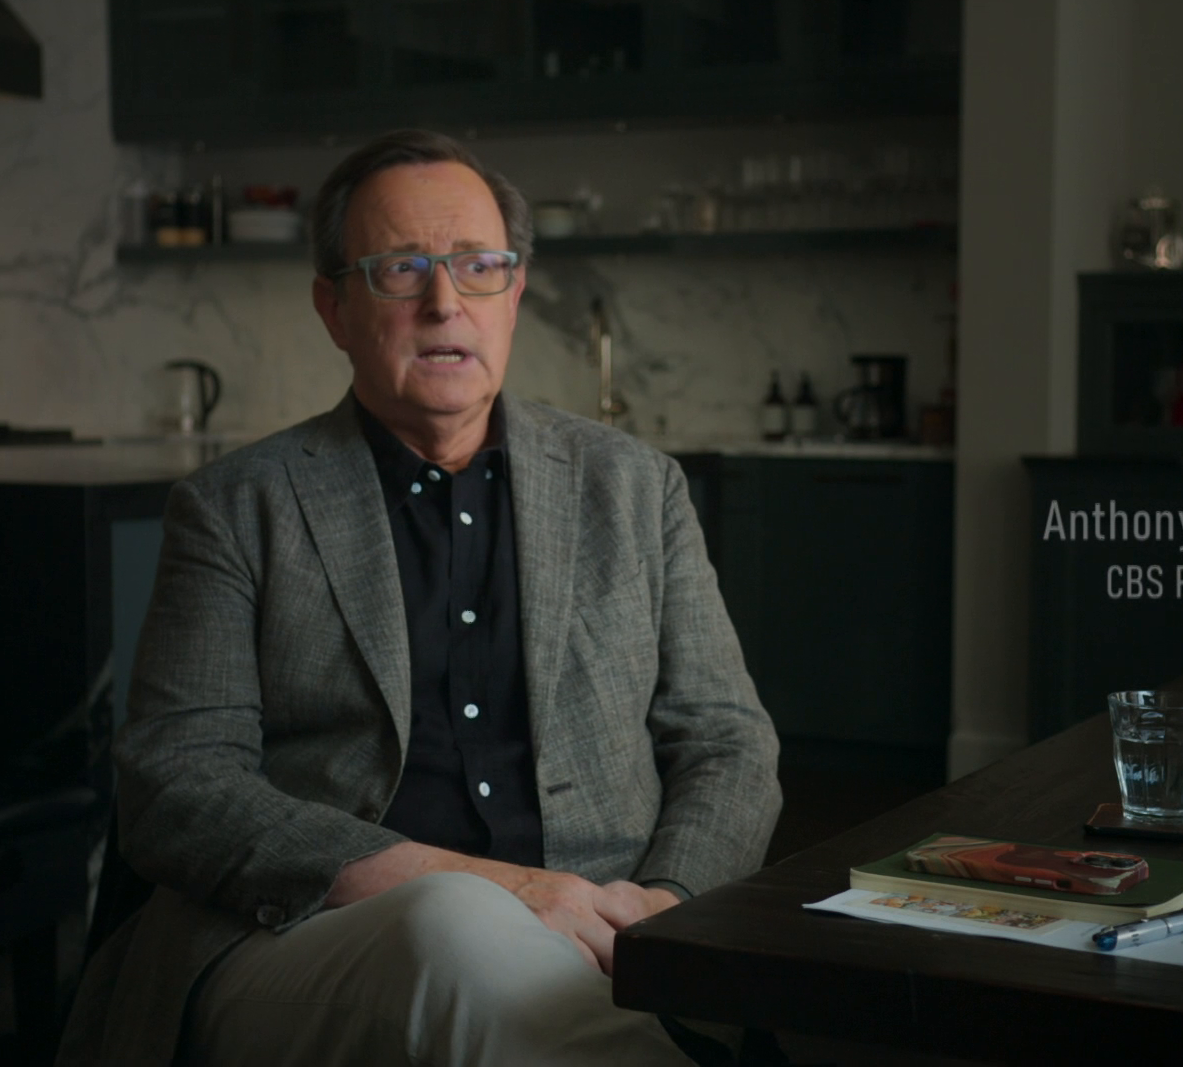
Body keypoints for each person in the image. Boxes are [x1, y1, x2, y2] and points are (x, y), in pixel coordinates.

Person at [56, 130, 781, 1067]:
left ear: (514, 292)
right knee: (451, 924)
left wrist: (662, 907)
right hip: (307, 936)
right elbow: (175, 784)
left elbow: (727, 742)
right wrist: (491, 888)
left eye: (479, 266)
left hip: (609, 930)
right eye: (401, 269)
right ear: (334, 307)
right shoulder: (237, 507)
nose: (446, 303)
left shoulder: (637, 488)